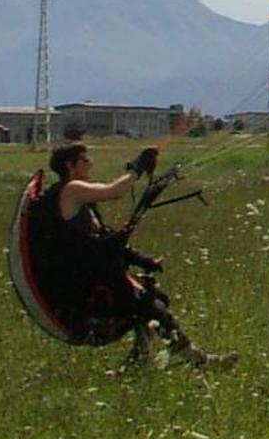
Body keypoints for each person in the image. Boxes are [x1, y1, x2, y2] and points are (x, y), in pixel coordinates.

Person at [38, 137, 235, 369]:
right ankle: (198, 359)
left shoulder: (79, 199)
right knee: (149, 303)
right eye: (85, 159)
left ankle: (139, 360)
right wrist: (137, 167)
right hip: (82, 286)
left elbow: (103, 240)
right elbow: (116, 191)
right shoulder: (71, 190)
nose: (90, 163)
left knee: (156, 297)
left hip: (93, 276)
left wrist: (141, 260)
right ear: (69, 166)